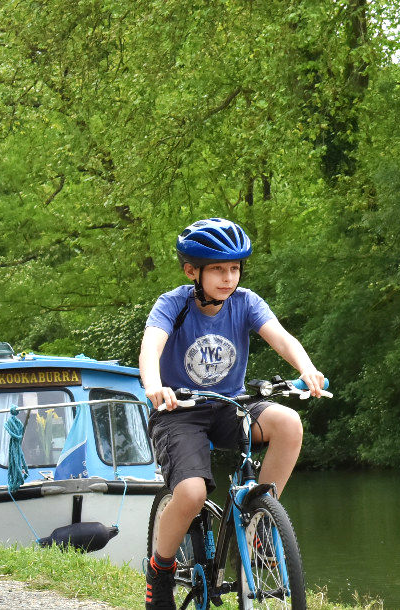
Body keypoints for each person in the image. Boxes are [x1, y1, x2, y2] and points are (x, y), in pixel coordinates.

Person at [139, 218, 326, 610]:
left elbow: (281, 337)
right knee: (190, 494)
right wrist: (155, 384)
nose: (228, 278)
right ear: (193, 271)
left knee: (289, 423)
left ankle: (259, 524)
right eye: (218, 269)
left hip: (230, 406)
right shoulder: (173, 304)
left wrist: (305, 368)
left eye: (234, 269)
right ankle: (160, 570)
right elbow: (150, 347)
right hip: (179, 411)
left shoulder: (246, 302)